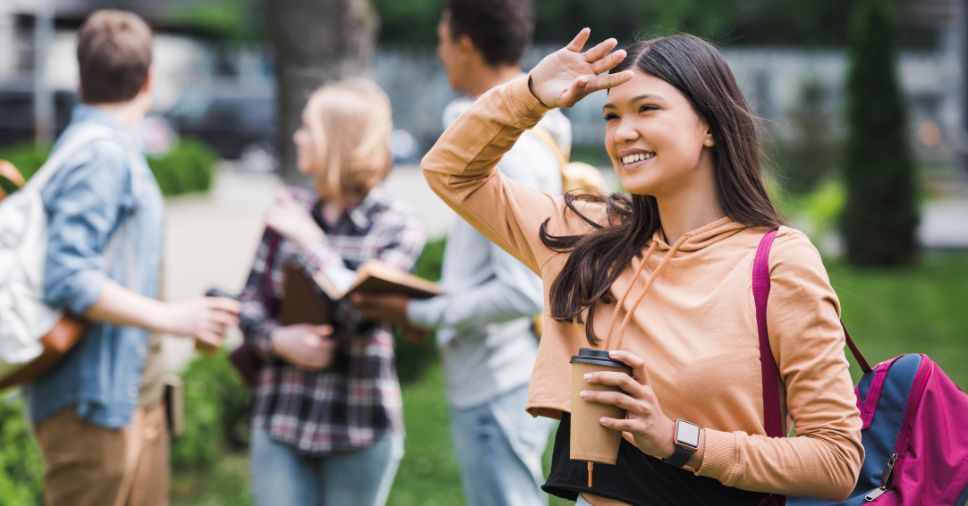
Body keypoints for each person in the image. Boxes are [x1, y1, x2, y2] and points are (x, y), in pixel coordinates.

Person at [420, 29, 864, 505]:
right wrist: (529, 94)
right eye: (611, 116)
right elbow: (451, 172)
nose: (622, 133)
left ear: (709, 125)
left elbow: (836, 461)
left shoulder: (777, 261)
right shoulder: (585, 237)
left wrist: (677, 440)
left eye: (647, 109)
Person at [352, 1, 569, 504]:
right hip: (496, 379)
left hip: (499, 383)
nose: (439, 52)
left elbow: (524, 290)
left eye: (442, 39)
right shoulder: (513, 138)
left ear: (466, 45)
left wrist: (417, 312)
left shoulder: (510, 151)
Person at [26, 10, 240, 506]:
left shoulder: (108, 149)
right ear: (149, 79)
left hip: (127, 401)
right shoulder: (101, 156)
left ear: (80, 79)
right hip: (92, 409)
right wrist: (173, 317)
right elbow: (69, 275)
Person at [237, 78, 425, 506]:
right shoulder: (287, 213)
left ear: (339, 140)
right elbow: (248, 304)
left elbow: (362, 312)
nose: (297, 137)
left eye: (308, 128)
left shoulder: (397, 226)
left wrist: (311, 243)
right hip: (281, 415)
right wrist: (277, 340)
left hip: (359, 423)